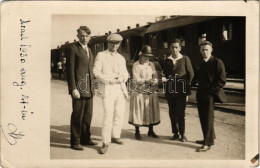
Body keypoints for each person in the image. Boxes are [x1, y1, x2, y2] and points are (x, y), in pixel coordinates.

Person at [93, 34, 129, 154]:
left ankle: (115, 135)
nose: (115, 45)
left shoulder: (121, 58)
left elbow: (126, 73)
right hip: (108, 88)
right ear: (108, 43)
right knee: (108, 115)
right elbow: (96, 72)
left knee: (119, 113)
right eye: (113, 43)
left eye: (117, 43)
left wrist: (122, 78)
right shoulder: (101, 55)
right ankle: (105, 142)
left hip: (120, 88)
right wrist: (109, 78)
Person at [66, 26, 97, 151]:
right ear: (78, 36)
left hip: (89, 89)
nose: (84, 38)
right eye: (82, 35)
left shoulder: (89, 50)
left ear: (90, 37)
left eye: (87, 36)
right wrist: (73, 88)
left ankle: (86, 138)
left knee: (87, 116)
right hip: (79, 89)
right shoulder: (73, 49)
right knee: (77, 116)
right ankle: (75, 141)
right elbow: (70, 70)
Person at [196, 41, 226, 152]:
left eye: (206, 49)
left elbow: (222, 80)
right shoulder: (203, 63)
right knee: (203, 117)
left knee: (208, 118)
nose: (204, 52)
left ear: (211, 50)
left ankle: (207, 143)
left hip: (209, 95)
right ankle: (208, 138)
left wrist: (211, 91)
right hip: (201, 95)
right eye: (202, 50)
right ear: (200, 51)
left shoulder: (217, 62)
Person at [163, 39, 194, 142]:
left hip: (181, 92)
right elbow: (165, 75)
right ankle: (175, 133)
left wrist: (185, 87)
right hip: (170, 90)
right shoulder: (167, 60)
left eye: (176, 47)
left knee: (181, 113)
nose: (174, 49)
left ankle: (182, 134)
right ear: (170, 48)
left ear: (180, 48)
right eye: (172, 47)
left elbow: (191, 74)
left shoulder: (185, 59)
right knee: (172, 113)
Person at [128, 45, 160, 140]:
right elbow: (136, 78)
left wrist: (155, 80)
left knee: (151, 110)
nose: (147, 58)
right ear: (141, 55)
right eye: (145, 56)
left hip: (150, 91)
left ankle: (150, 130)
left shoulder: (151, 65)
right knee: (138, 111)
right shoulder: (136, 65)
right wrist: (146, 81)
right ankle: (137, 132)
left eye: (149, 56)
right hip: (139, 91)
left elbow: (155, 76)